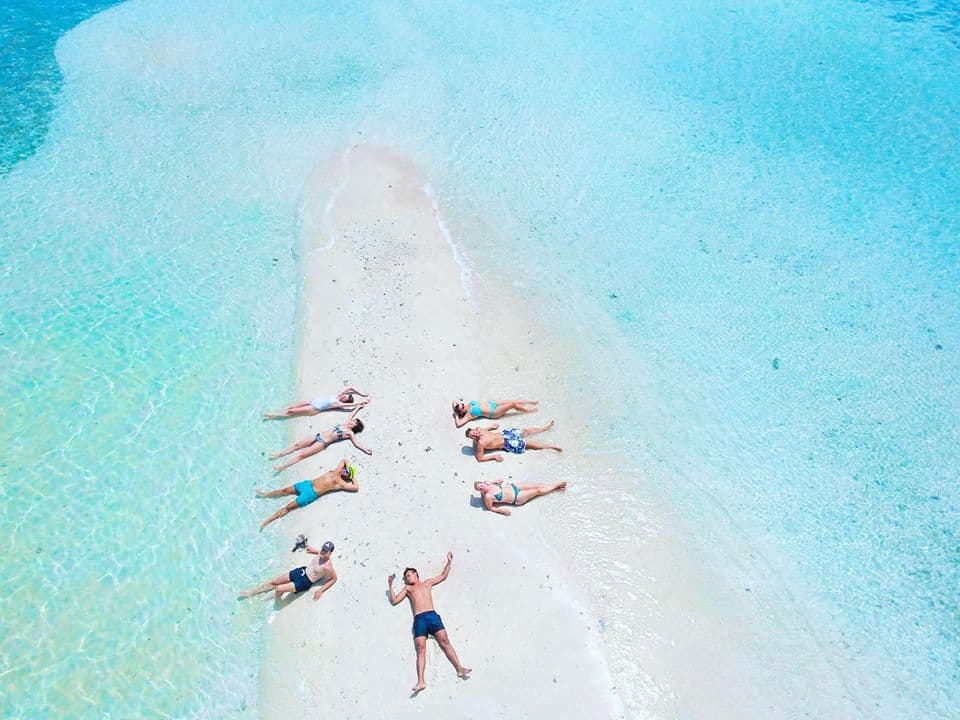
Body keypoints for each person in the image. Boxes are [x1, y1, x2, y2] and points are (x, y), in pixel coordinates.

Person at [388, 552, 471, 693]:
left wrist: (449, 562)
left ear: (416, 574)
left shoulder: (427, 583)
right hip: (419, 619)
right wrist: (390, 585)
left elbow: (442, 576)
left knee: (445, 642)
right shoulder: (408, 589)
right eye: (406, 577)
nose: (407, 579)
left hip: (432, 616)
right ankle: (421, 681)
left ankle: (459, 668)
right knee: (420, 650)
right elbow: (395, 600)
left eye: (409, 575)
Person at [256, 459, 359, 529]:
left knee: (288, 507)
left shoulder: (341, 484)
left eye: (347, 472)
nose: (345, 471)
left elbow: (356, 487)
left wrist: (352, 476)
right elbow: (344, 460)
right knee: (285, 491)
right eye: (345, 469)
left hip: (310, 494)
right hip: (307, 484)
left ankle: (267, 521)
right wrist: (349, 468)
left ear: (348, 477)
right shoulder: (336, 471)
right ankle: (265, 495)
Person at [269, 406, 372, 472]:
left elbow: (356, 443)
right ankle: (279, 454)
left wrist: (365, 449)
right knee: (297, 445)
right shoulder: (345, 424)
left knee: (302, 455)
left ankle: (282, 467)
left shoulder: (349, 433)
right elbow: (351, 414)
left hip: (322, 443)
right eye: (353, 420)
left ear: (355, 425)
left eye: (354, 421)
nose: (352, 421)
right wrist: (359, 406)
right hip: (318, 435)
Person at [238, 540, 338, 600]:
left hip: (305, 582)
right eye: (323, 549)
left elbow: (334, 579)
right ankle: (251, 593)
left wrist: (321, 590)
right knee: (274, 582)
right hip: (301, 571)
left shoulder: (327, 566)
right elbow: (318, 552)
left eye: (326, 551)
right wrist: (312, 550)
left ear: (330, 553)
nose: (323, 552)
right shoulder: (320, 553)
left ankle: (273, 598)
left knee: (278, 588)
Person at [464, 420, 562, 462]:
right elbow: (479, 458)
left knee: (525, 431)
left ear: (474, 430)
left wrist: (491, 427)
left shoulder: (480, 429)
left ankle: (544, 428)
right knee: (529, 444)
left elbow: (486, 429)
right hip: (507, 444)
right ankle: (552, 447)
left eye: (473, 432)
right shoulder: (480, 444)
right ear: (472, 438)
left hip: (505, 434)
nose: (474, 435)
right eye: (472, 436)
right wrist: (494, 456)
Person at [473, 479, 567, 516]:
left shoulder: (488, 483)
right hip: (517, 498)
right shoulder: (488, 496)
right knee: (537, 491)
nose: (482, 488)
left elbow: (497, 480)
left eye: (481, 485)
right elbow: (490, 508)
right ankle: (557, 486)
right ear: (480, 491)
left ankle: (552, 486)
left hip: (514, 487)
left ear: (483, 482)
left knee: (535, 485)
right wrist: (502, 511)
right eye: (480, 489)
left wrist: (497, 481)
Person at [264, 388, 369, 419]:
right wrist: (363, 394)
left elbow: (349, 406)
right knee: (292, 407)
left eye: (345, 398)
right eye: (345, 396)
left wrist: (361, 402)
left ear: (344, 401)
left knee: (292, 411)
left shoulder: (337, 403)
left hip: (314, 408)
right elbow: (350, 388)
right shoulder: (337, 396)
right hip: (312, 401)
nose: (344, 396)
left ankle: (274, 415)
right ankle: (278, 413)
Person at [450, 398, 538, 428]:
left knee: (513, 401)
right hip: (494, 412)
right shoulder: (468, 416)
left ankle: (530, 402)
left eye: (462, 404)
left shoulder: (468, 405)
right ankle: (529, 411)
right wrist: (456, 415)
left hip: (493, 404)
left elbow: (454, 401)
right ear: (461, 412)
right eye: (462, 407)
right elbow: (459, 424)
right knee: (513, 404)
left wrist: (456, 407)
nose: (463, 405)